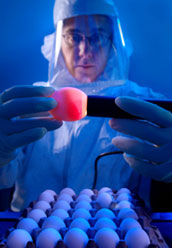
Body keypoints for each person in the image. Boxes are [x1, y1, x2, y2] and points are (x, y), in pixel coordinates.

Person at [0, 0, 172, 212]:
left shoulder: (144, 104)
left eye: (97, 36)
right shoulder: (30, 104)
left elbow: (158, 200)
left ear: (113, 41)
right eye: (73, 37)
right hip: (31, 237)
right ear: (58, 41)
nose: (85, 50)